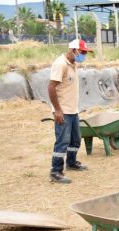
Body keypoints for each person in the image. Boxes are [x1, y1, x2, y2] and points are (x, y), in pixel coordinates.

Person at [48, 39, 92, 184]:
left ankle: (71, 163)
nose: (84, 55)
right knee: (62, 142)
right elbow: (51, 87)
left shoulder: (72, 64)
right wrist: (57, 110)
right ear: (74, 50)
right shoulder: (60, 64)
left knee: (75, 139)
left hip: (73, 110)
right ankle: (56, 171)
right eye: (83, 52)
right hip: (63, 111)